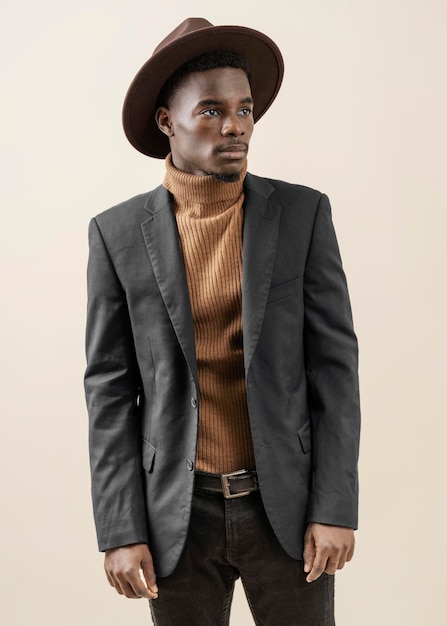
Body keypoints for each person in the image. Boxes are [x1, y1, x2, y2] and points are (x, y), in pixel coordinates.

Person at [85, 17, 361, 626]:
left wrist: (336, 505)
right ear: (167, 122)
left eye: (244, 109)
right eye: (210, 111)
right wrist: (120, 527)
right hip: (176, 517)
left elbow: (335, 370)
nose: (234, 126)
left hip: (286, 510)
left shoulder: (303, 215)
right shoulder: (117, 235)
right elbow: (108, 391)